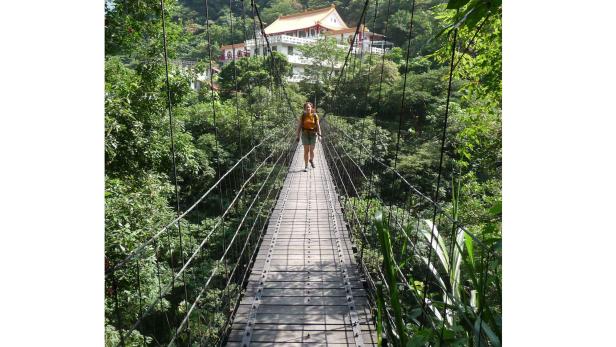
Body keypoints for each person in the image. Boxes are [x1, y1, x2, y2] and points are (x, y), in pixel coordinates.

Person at [295, 101, 322, 172]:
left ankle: (311, 160)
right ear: (304, 108)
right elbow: (299, 126)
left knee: (312, 150)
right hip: (305, 134)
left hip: (313, 134)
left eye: (309, 107)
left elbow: (318, 126)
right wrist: (297, 135)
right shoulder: (303, 116)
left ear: (311, 108)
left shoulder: (315, 116)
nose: (308, 108)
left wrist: (320, 135)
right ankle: (306, 166)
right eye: (306, 107)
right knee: (306, 151)